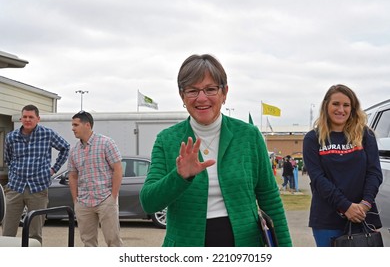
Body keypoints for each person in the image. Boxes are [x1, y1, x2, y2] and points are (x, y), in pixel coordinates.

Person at [140, 54, 292, 247]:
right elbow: (149, 202)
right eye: (192, 90)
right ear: (182, 96)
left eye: (210, 89)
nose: (201, 98)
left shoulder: (249, 136)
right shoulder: (166, 140)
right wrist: (179, 177)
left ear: (224, 92)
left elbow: (270, 199)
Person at [303, 84, 382, 247]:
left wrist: (364, 205)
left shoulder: (365, 135)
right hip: (327, 220)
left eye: (346, 105)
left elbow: (374, 173)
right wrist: (345, 206)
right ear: (326, 105)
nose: (341, 109)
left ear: (353, 109)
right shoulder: (313, 138)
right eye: (336, 104)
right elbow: (317, 179)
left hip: (363, 217)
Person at [2, 104, 70, 244]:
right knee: (7, 231)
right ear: (21, 118)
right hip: (15, 188)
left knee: (35, 232)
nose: (27, 119)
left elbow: (65, 147)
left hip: (38, 189)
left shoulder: (47, 134)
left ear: (38, 119)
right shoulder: (11, 137)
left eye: (31, 117)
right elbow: (8, 159)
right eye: (25, 117)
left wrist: (53, 169)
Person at [68, 111, 123, 247]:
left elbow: (118, 169)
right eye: (72, 125)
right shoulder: (74, 151)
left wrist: (113, 197)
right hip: (84, 203)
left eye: (76, 125)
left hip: (105, 200)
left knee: (113, 241)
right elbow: (73, 176)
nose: (72, 128)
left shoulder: (106, 143)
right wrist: (76, 201)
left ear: (87, 125)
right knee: (88, 243)